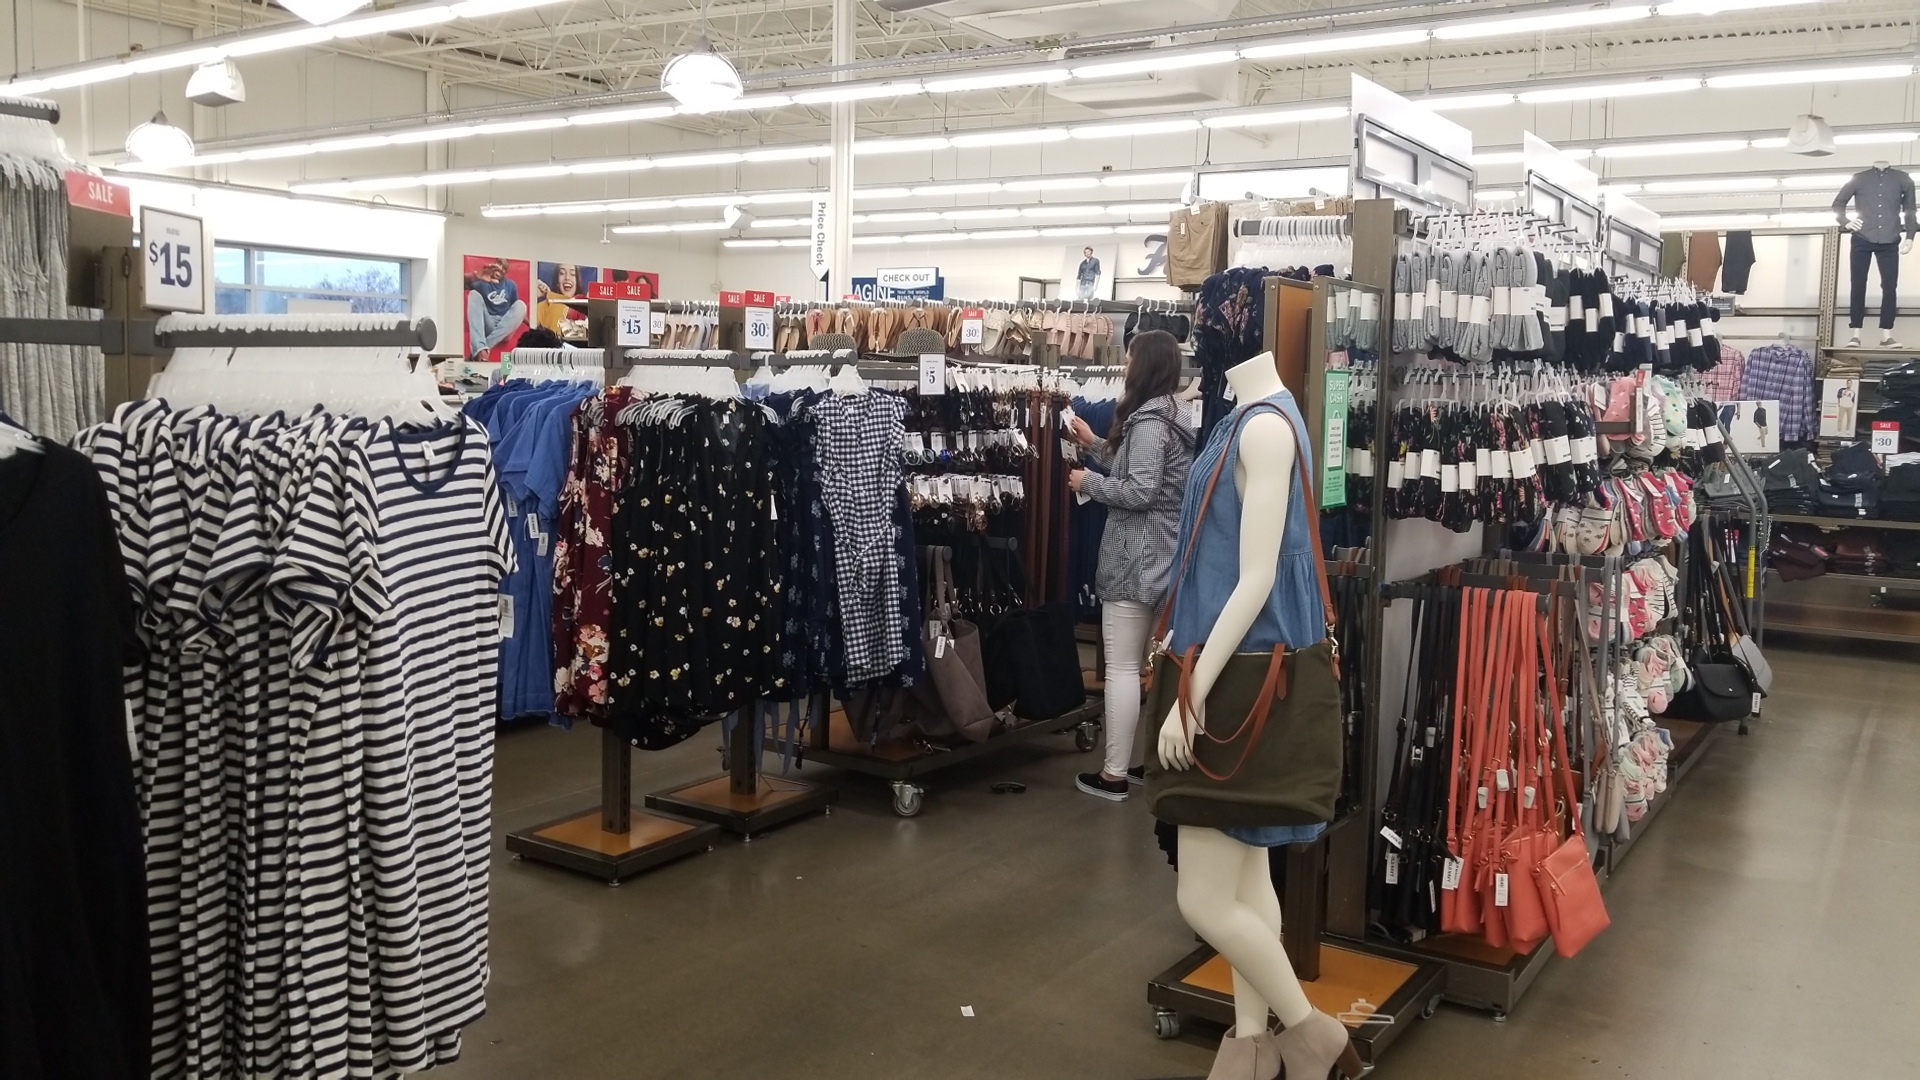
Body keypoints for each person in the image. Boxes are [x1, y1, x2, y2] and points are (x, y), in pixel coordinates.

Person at [1065, 329, 1195, 801]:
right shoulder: (1174, 415)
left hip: (1134, 559)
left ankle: (1114, 774)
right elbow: (1140, 470)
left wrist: (1087, 483)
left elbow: (1139, 490)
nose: (1124, 367)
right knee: (1157, 666)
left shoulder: (1149, 422)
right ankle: (1155, 764)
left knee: (1121, 668)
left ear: (1144, 366)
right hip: (1166, 557)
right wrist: (1094, 442)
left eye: (1130, 359)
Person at [466, 259, 527, 362]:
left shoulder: (511, 285)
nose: (500, 269)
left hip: (506, 326)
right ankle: (481, 349)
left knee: (521, 305)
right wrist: (475, 276)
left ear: (505, 272)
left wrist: (531, 324)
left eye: (503, 268)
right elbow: (461, 283)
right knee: (473, 294)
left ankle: (480, 350)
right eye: (498, 264)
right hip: (489, 322)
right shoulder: (482, 282)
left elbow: (515, 310)